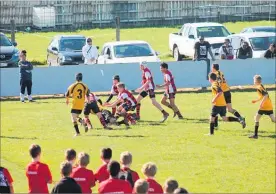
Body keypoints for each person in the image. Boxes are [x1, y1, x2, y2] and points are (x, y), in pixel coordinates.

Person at [249, 75, 275, 139]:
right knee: (273, 119)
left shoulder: (259, 87)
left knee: (256, 118)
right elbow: (263, 96)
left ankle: (255, 135)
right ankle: (255, 135)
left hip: (264, 106)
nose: (253, 82)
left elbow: (265, 95)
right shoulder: (261, 86)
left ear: (256, 81)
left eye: (254, 80)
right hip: (268, 105)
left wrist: (261, 104)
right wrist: (256, 100)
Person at [65, 73, 90, 137]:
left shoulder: (73, 85)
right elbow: (88, 93)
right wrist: (88, 100)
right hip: (81, 104)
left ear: (76, 78)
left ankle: (77, 133)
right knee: (76, 117)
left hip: (75, 103)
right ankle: (83, 122)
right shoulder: (85, 86)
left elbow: (67, 94)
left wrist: (67, 100)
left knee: (73, 119)